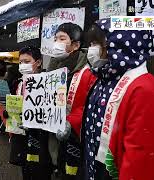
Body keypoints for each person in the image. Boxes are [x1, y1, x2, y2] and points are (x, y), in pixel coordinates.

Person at [80, 18, 154, 180]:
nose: (92, 50)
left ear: (120, 45)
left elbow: (142, 160)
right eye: (91, 43)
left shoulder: (145, 89)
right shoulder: (102, 80)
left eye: (97, 43)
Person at [47, 22, 96, 179]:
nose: (56, 43)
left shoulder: (88, 73)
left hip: (75, 141)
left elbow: (91, 107)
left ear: (75, 45)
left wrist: (71, 121)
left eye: (62, 38)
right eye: (55, 39)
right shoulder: (51, 70)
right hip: (53, 140)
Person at [7, 46, 52, 180]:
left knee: (40, 171)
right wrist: (10, 114)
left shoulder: (47, 82)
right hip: (22, 137)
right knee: (26, 170)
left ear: (38, 63)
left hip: (40, 137)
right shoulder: (19, 83)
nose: (22, 65)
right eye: (20, 62)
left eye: (27, 61)